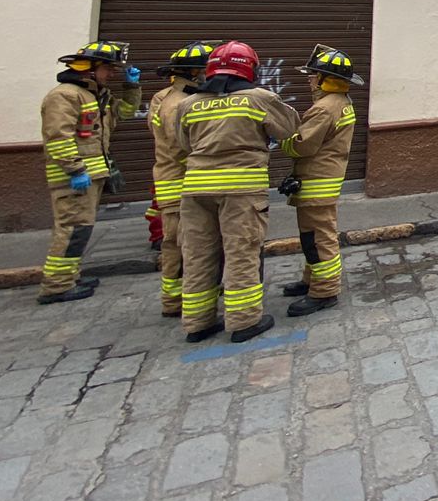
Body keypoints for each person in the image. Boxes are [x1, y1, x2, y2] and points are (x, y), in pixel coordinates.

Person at [175, 41, 298, 344]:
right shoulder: (258, 99)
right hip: (241, 189)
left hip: (195, 189)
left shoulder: (188, 104)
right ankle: (244, 321)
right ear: (250, 68)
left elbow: (183, 144)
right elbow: (290, 128)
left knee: (198, 254)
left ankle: (197, 322)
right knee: (241, 252)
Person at [37, 41, 141, 304]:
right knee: (72, 230)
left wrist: (132, 87)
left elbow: (125, 113)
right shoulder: (64, 96)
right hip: (73, 178)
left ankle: (70, 276)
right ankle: (57, 286)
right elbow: (58, 137)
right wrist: (74, 169)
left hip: (91, 175)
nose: (113, 74)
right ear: (90, 68)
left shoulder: (96, 95)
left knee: (80, 230)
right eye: (109, 68)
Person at [278, 45, 363, 317]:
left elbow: (303, 146)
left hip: (317, 181)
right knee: (311, 236)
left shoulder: (325, 108)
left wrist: (283, 142)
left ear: (326, 79)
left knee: (318, 238)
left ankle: (324, 291)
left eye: (313, 75)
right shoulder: (340, 102)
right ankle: (311, 280)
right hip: (323, 179)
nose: (309, 79)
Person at [148, 41, 215, 317]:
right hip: (180, 183)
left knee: (181, 242)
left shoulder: (164, 96)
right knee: (179, 244)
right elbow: (185, 147)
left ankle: (179, 298)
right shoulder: (179, 105)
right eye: (207, 70)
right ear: (194, 72)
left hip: (175, 182)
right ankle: (178, 301)